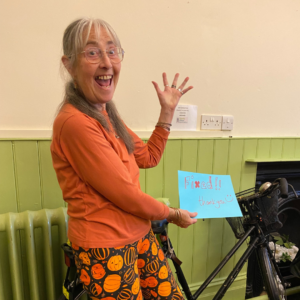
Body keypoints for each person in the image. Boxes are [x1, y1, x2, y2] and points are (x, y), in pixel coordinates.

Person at [51, 17, 197, 300]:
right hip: (105, 248)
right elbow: (126, 196)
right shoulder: (75, 123)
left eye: (112, 50)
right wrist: (172, 214)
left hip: (140, 234)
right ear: (69, 64)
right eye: (92, 52)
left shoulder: (105, 113)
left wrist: (167, 112)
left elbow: (149, 156)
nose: (107, 62)